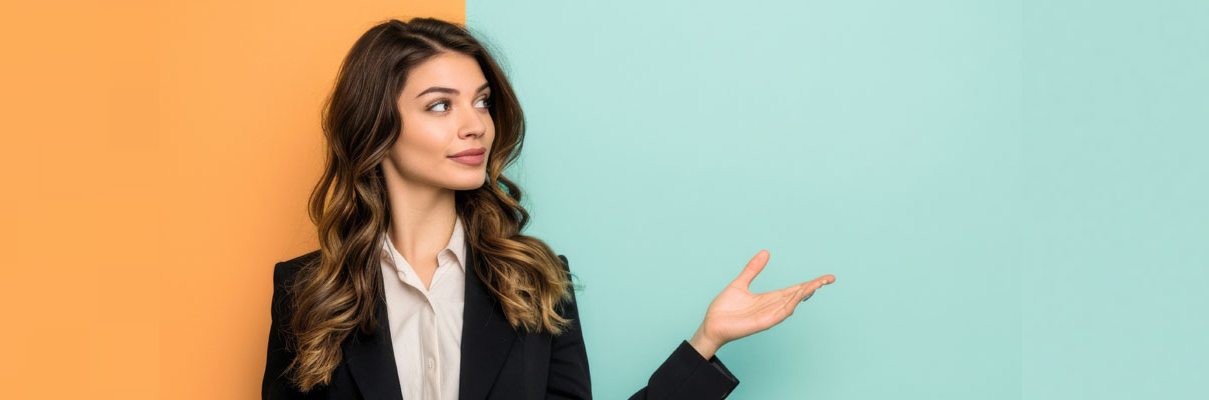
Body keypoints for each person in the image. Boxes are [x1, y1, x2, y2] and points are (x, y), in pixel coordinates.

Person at [262, 17, 836, 400]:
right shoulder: (308, 292)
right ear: (376, 128)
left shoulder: (534, 279)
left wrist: (705, 342)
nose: (474, 125)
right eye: (440, 105)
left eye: (482, 102)